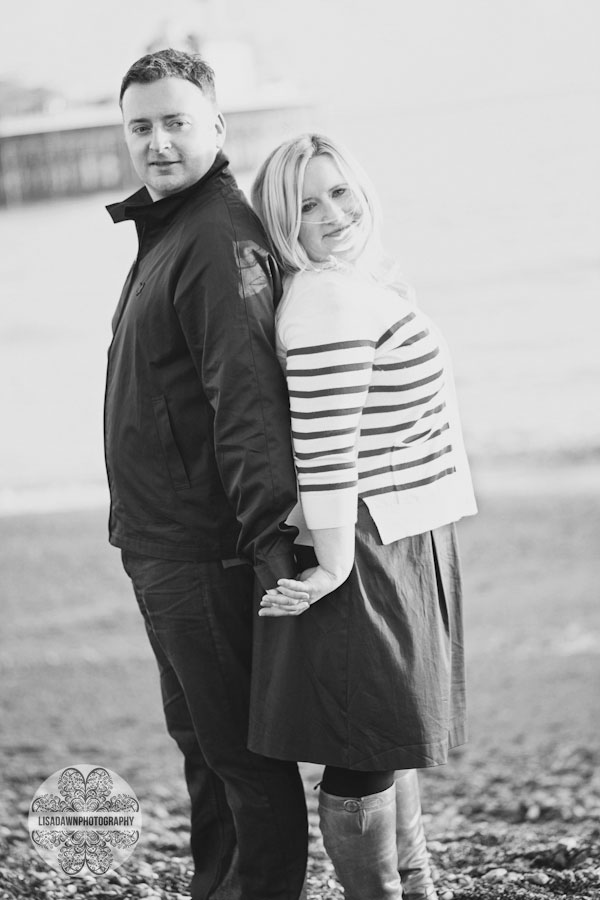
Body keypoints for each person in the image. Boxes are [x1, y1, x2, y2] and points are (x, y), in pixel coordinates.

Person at [250, 134, 478, 900]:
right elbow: (324, 445)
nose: (333, 213)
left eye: (340, 191)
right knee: (366, 746)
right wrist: (337, 564)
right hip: (370, 545)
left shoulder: (349, 284)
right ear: (284, 225)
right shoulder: (327, 299)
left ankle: (415, 886)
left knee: (389, 734)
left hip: (396, 530)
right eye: (306, 205)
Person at [103, 49, 308, 900]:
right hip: (161, 544)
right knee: (201, 746)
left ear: (217, 128)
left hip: (208, 554)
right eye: (141, 126)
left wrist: (270, 553)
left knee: (243, 759)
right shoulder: (170, 227)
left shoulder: (218, 238)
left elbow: (249, 408)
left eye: (175, 122)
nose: (157, 142)